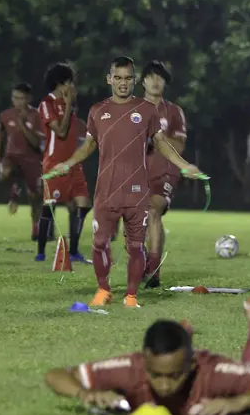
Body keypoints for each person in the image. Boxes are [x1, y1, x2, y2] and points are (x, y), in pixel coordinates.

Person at [46, 56, 204, 308]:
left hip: (137, 189)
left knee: (134, 245)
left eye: (127, 78)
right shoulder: (98, 110)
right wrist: (68, 162)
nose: (122, 83)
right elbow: (88, 145)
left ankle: (131, 295)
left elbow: (162, 144)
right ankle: (103, 289)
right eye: (117, 78)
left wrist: (185, 166)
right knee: (99, 243)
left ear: (133, 80)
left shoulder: (147, 111)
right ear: (109, 79)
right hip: (106, 188)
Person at [44, 297, 250, 415]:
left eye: (174, 376)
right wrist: (83, 394)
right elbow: (56, 375)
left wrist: (239, 402)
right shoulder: (130, 368)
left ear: (192, 365)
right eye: (156, 375)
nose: (164, 386)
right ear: (144, 363)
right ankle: (181, 332)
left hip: (215, 366)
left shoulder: (212, 372)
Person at [37, 63, 92, 263]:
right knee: (49, 207)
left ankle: (74, 251)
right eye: (70, 82)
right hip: (54, 163)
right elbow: (60, 132)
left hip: (73, 163)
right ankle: (41, 252)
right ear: (61, 84)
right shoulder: (47, 103)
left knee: (83, 204)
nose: (73, 87)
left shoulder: (70, 107)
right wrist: (68, 105)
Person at [140, 61, 187, 288]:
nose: (156, 81)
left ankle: (154, 270)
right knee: (133, 225)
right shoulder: (131, 111)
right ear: (142, 81)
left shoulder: (173, 111)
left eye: (160, 77)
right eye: (150, 76)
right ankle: (142, 262)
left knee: (153, 209)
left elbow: (179, 145)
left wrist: (155, 139)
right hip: (135, 176)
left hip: (165, 174)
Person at [0, 83, 44, 240]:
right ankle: (14, 191)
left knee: (35, 197)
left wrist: (23, 126)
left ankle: (35, 227)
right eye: (14, 98)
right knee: (5, 173)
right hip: (12, 156)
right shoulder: (6, 115)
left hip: (32, 159)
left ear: (29, 99)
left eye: (21, 98)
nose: (17, 101)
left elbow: (35, 143)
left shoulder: (37, 116)